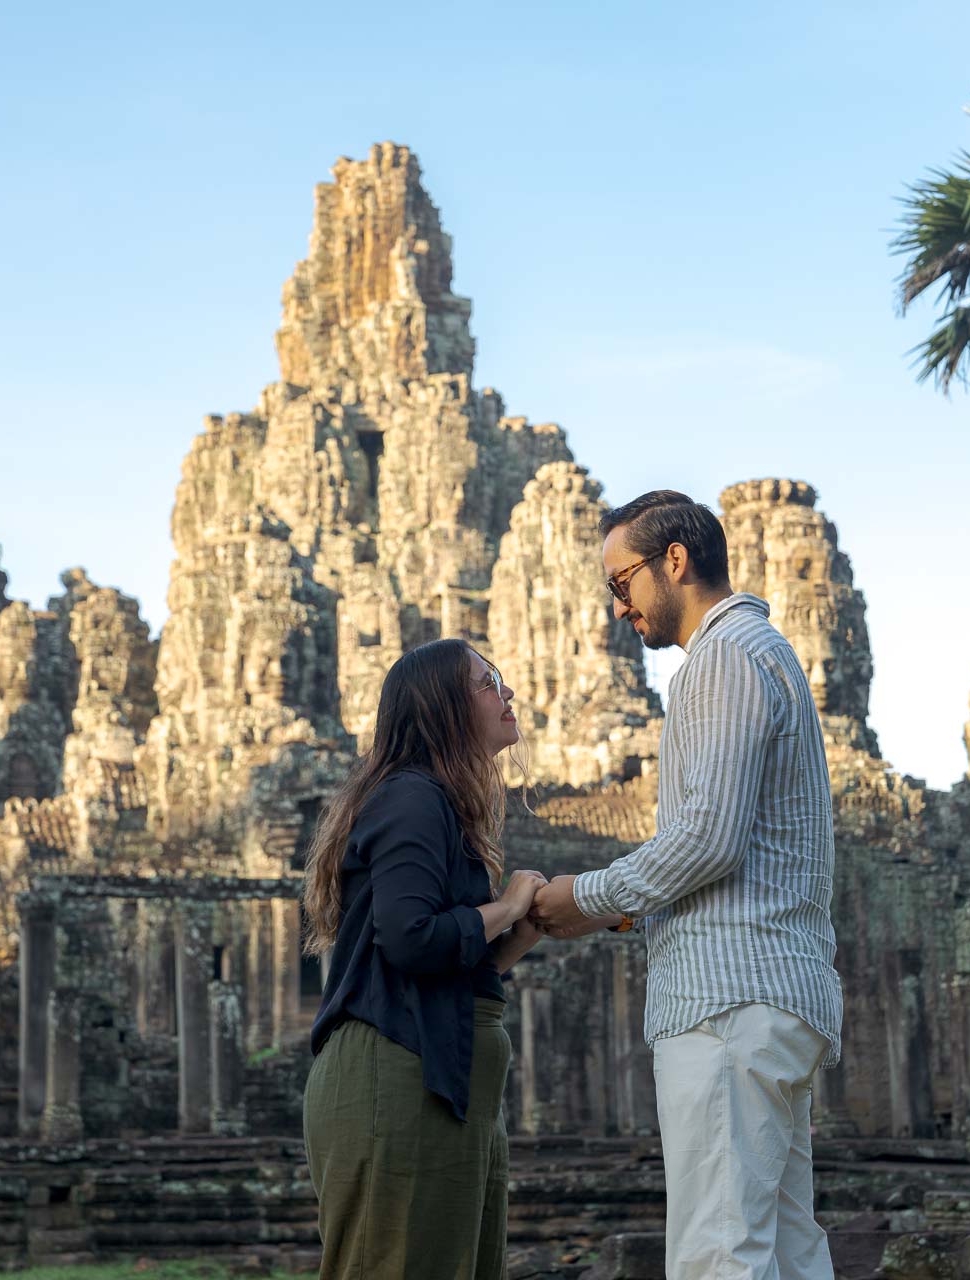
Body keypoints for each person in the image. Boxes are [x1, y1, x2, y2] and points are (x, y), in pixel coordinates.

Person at [528, 489, 844, 1280]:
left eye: (621, 581)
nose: (618, 607)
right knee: (784, 1248)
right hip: (768, 993)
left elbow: (708, 838)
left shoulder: (724, 657)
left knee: (719, 1253)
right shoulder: (758, 651)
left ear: (675, 561)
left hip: (727, 1003)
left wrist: (589, 900)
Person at [301, 637, 547, 1280]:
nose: (507, 691)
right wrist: (511, 901)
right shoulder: (412, 796)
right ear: (444, 706)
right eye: (489, 680)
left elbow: (444, 971)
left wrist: (518, 933)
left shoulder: (438, 804)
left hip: (439, 1080)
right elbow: (411, 939)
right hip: (397, 1080)